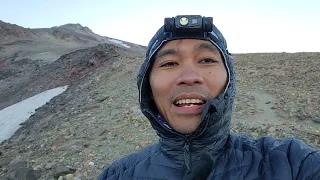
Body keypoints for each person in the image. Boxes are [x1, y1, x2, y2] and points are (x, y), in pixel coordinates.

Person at [99, 15, 320, 180]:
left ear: (229, 80)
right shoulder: (117, 175)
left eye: (206, 60)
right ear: (147, 86)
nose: (189, 77)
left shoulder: (293, 163)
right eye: (169, 63)